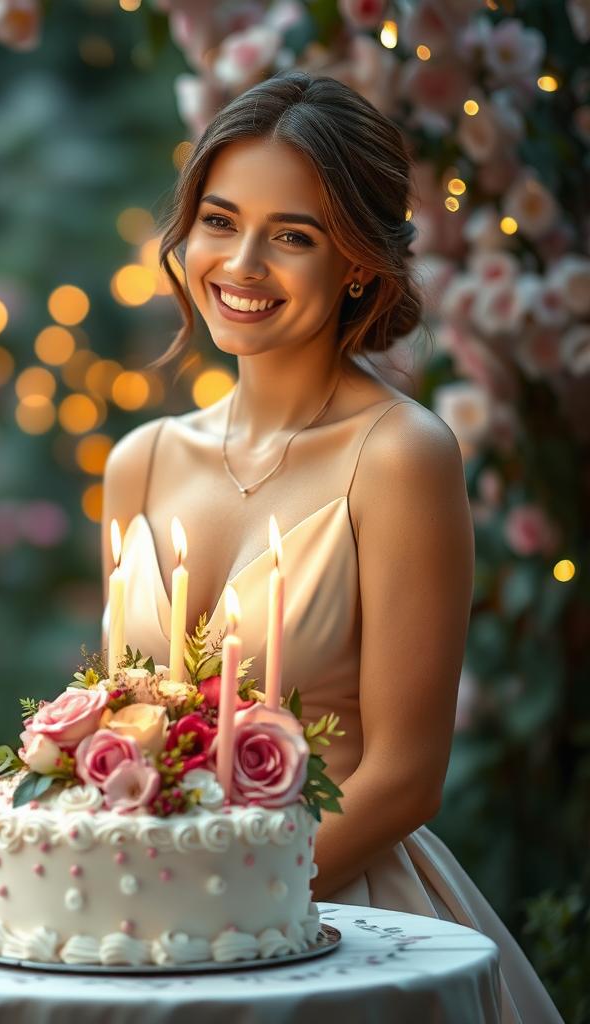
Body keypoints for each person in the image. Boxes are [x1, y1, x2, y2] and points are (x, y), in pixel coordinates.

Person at [100, 70, 561, 1024]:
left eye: (294, 236)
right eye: (220, 221)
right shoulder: (139, 461)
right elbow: (116, 721)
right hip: (134, 928)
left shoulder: (400, 456)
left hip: (333, 920)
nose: (242, 263)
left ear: (358, 262)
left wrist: (223, 903)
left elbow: (405, 774)